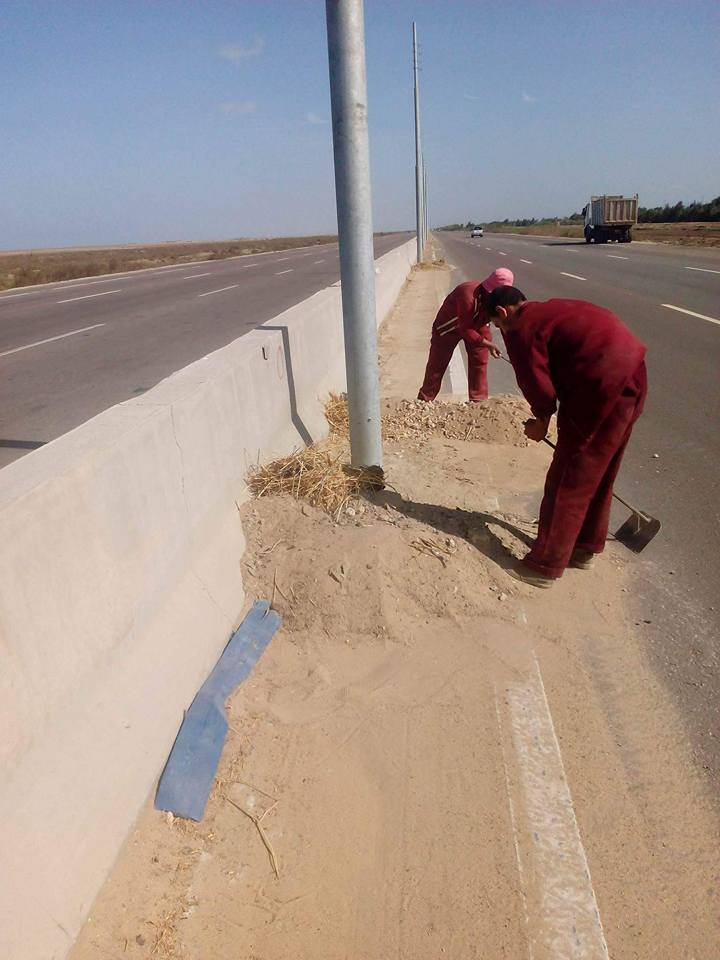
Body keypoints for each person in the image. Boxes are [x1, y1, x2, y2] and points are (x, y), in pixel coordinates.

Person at [485, 286, 647, 588]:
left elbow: (537, 385)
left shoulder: (521, 328)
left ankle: (545, 564)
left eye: (496, 324)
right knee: (599, 470)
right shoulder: (548, 310)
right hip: (633, 376)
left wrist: (541, 421)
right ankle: (585, 547)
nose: (499, 330)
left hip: (600, 388)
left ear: (504, 313)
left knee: (568, 478)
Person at [417, 268, 514, 402]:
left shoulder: (498, 301)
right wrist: (489, 344)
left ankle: (477, 402)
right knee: (437, 364)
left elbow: (501, 323)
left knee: (480, 360)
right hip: (448, 327)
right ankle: (425, 399)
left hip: (477, 325)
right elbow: (466, 330)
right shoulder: (468, 294)